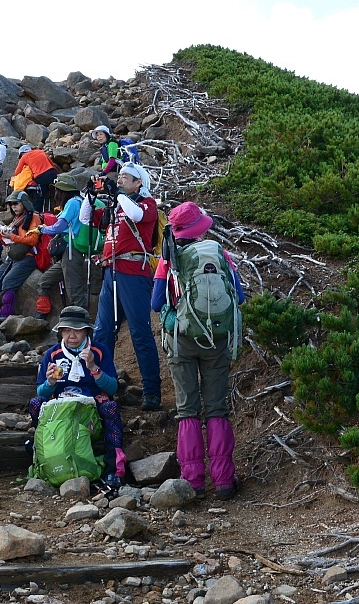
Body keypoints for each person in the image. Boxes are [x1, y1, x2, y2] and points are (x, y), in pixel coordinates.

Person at [152, 202, 246, 499]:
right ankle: (224, 481)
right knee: (217, 407)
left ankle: (192, 481)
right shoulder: (220, 255)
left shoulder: (169, 259)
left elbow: (156, 304)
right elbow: (239, 297)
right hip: (216, 341)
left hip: (182, 341)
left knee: (187, 409)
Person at [81, 163, 162, 410]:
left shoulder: (146, 204)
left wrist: (118, 195)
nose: (120, 180)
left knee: (139, 331)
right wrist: (89, 196)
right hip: (111, 271)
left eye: (126, 177)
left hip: (133, 272)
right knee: (103, 330)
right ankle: (102, 386)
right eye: (120, 177)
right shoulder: (117, 205)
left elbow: (136, 216)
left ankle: (152, 390)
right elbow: (85, 218)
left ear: (139, 183)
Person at [30, 305, 125, 486]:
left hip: (91, 414)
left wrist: (93, 369)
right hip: (61, 414)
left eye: (77, 331)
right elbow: (41, 393)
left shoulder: (99, 351)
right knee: (36, 403)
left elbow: (112, 389)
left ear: (87, 332)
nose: (71, 336)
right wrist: (50, 383)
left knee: (111, 407)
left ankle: (113, 469)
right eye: (66, 331)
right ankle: (44, 452)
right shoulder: (53, 355)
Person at [35, 173, 102, 316]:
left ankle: (81, 321)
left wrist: (42, 229)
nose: (55, 194)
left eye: (56, 190)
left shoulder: (72, 203)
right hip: (70, 249)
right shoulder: (80, 200)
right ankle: (43, 312)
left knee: (74, 289)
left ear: (62, 191)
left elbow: (59, 227)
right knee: (45, 280)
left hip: (72, 250)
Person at [0, 190, 43, 320]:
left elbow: (33, 240)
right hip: (13, 257)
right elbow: (8, 243)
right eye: (11, 204)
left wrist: (12, 236)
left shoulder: (34, 217)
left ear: (24, 203)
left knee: (9, 281)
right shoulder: (16, 220)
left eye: (16, 203)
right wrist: (1, 234)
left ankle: (5, 314)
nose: (13, 207)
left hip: (28, 257)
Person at [9, 143, 57, 212]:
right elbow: (52, 164)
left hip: (40, 176)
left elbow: (17, 172)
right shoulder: (40, 151)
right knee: (53, 192)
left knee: (38, 197)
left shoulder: (24, 157)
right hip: (52, 173)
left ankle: (36, 214)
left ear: (22, 154)